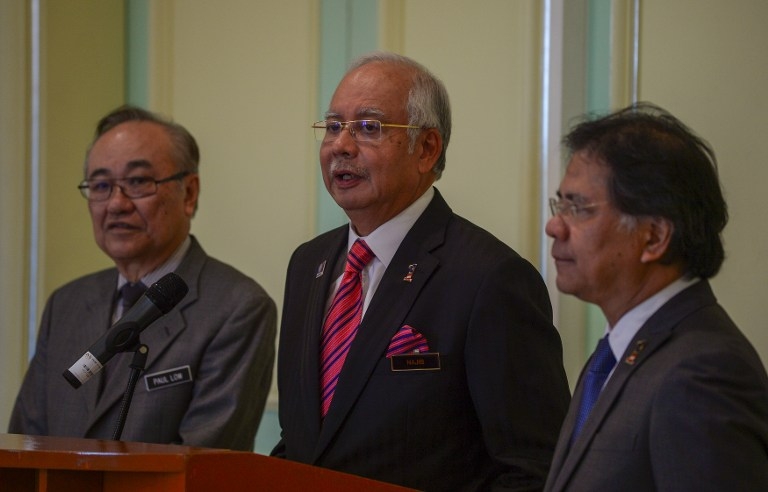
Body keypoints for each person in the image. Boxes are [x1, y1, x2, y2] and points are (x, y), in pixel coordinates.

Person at [271, 51, 570, 491]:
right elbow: (302, 441)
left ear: (427, 148)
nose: (341, 146)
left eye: (369, 127)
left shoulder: (490, 277)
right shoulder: (307, 264)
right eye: (333, 126)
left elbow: (531, 468)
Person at [9, 106, 277, 451]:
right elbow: (24, 444)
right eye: (101, 185)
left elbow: (202, 465)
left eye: (137, 182)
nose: (116, 204)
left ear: (189, 193)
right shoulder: (67, 303)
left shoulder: (237, 308)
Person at [543, 103, 768, 491]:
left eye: (578, 208)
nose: (553, 225)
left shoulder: (702, 373)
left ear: (654, 237)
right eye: (559, 204)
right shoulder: (615, 354)